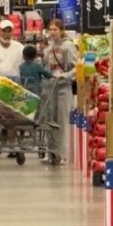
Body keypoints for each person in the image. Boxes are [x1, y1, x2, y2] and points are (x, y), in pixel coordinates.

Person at [42, 18, 78, 165]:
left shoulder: (69, 47)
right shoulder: (47, 49)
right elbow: (46, 67)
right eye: (50, 29)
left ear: (61, 31)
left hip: (64, 87)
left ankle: (62, 154)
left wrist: (66, 75)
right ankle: (50, 152)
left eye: (55, 29)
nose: (52, 32)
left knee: (62, 121)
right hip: (51, 87)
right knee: (50, 120)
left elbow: (77, 67)